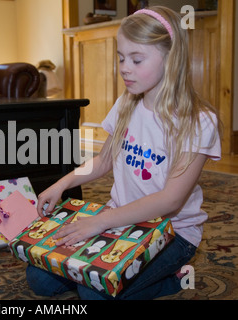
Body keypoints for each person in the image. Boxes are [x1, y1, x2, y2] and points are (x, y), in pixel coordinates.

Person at [26, 6, 222, 300]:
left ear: (171, 58)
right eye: (121, 58)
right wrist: (61, 184)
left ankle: (173, 281)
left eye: (136, 59)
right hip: (121, 220)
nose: (124, 67)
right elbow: (104, 160)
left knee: (93, 293)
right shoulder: (127, 103)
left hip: (173, 233)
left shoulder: (197, 120)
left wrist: (102, 221)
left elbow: (171, 199)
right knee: (39, 279)